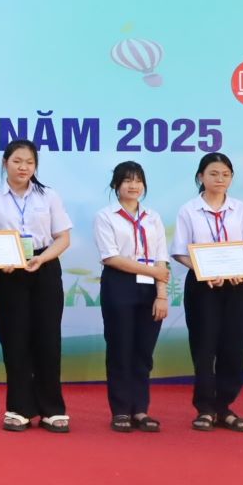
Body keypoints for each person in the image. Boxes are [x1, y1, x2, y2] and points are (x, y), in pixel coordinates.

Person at [0, 140, 75, 432]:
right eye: (17, 161)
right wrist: (1, 261)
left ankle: (52, 408)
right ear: (5, 163)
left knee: (48, 339)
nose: (23, 167)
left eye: (29, 162)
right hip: (8, 272)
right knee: (15, 340)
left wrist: (42, 259)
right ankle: (18, 408)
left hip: (44, 267)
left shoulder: (49, 196)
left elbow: (62, 237)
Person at [170, 152, 243, 433]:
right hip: (202, 286)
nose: (220, 179)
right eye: (213, 174)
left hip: (237, 285)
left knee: (234, 346)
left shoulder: (241, 210)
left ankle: (225, 407)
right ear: (200, 177)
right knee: (204, 346)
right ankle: (205, 409)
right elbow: (180, 252)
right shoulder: (189, 210)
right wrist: (202, 270)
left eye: (225, 175)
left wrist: (240, 270)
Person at [94, 160, 170, 433]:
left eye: (138, 180)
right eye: (127, 180)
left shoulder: (154, 217)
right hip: (119, 284)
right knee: (120, 349)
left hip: (151, 286)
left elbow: (162, 259)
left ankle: (141, 409)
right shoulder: (106, 216)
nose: (133, 185)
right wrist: (152, 270)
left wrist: (161, 295)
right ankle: (121, 410)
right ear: (116, 186)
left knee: (143, 352)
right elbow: (111, 257)